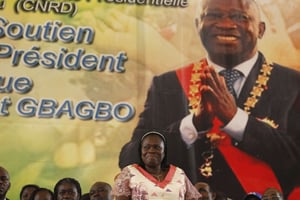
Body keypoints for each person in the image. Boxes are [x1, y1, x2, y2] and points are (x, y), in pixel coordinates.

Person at [118, 0, 300, 199]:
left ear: (261, 29)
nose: (225, 24)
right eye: (213, 16)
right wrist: (192, 125)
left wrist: (236, 120)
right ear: (198, 25)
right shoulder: (167, 85)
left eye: (240, 17)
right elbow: (129, 160)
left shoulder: (293, 84)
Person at [113, 131, 201, 200]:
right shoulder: (129, 172)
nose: (151, 151)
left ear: (164, 152)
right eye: (146, 147)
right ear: (140, 151)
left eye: (157, 147)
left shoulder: (179, 173)